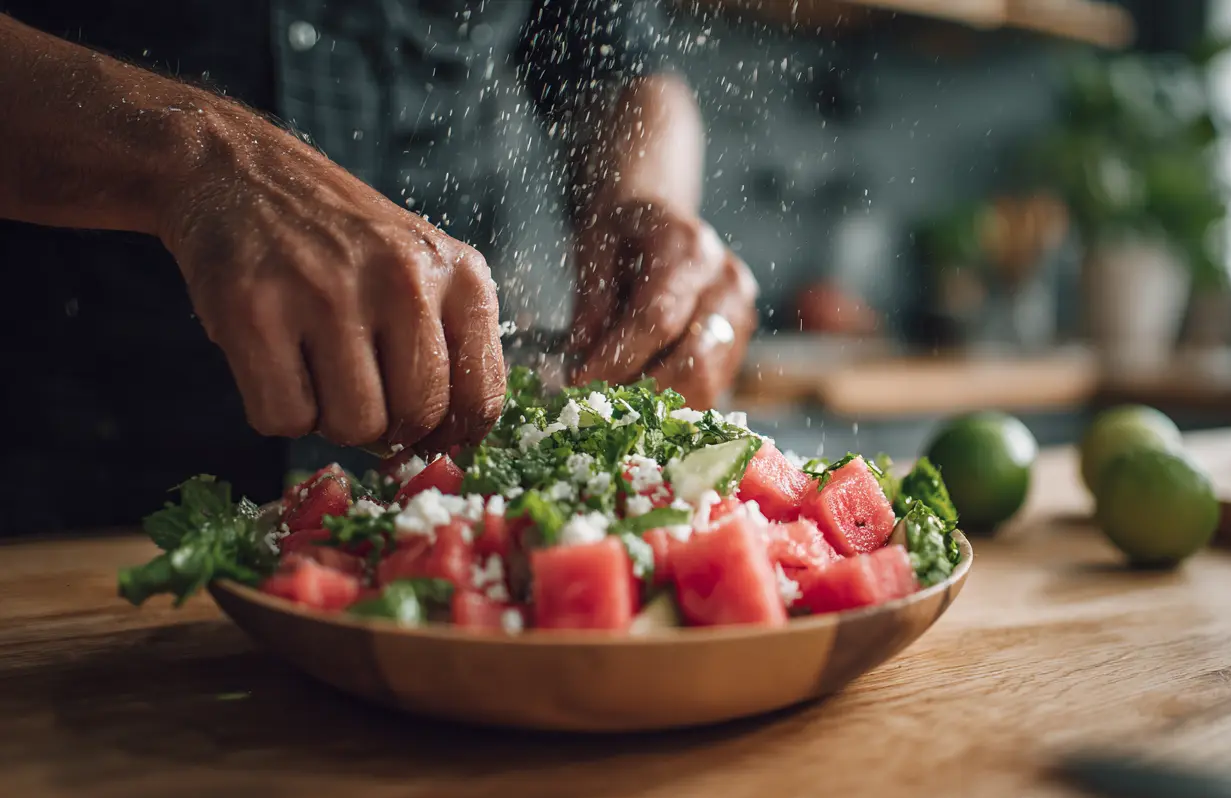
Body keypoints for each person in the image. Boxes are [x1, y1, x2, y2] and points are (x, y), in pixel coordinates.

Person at [0, 1, 758, 537]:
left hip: (437, 500)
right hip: (58, 486)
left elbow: (619, 60)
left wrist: (644, 198)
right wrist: (196, 158)